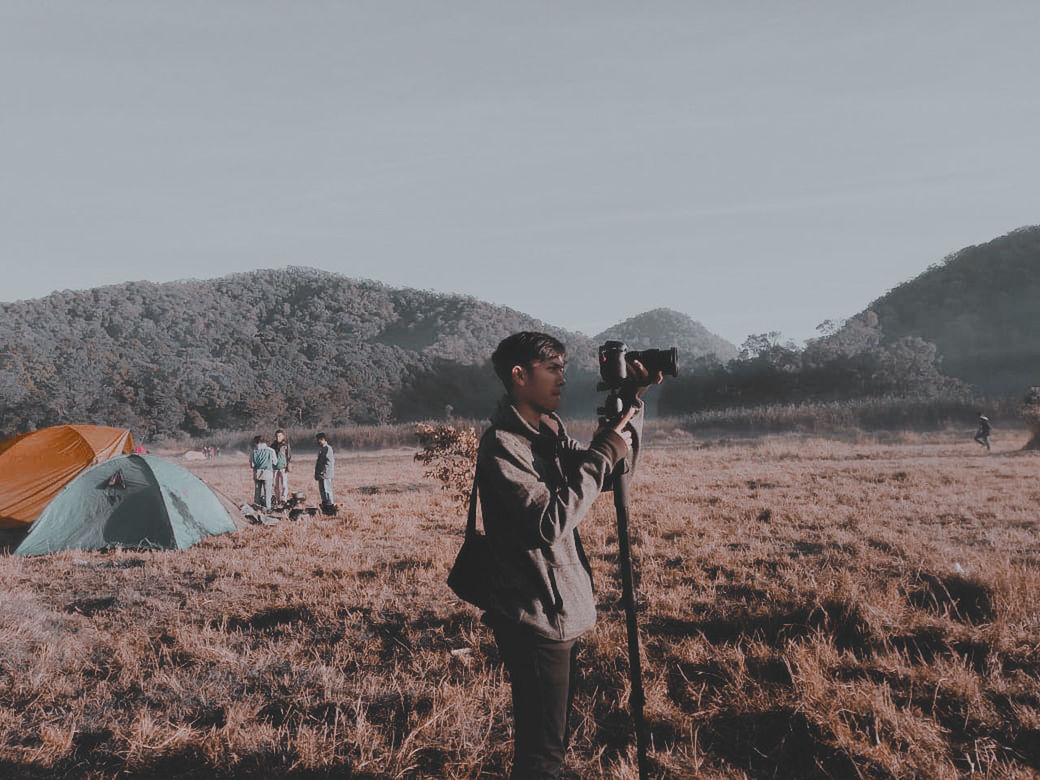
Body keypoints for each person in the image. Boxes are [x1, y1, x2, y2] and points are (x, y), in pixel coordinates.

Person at [475, 331, 660, 779]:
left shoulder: (547, 434)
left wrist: (630, 403)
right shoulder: (504, 444)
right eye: (553, 368)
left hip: (555, 607)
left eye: (564, 367)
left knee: (553, 744)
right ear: (520, 376)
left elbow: (613, 472)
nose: (562, 378)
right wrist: (602, 452)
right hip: (534, 613)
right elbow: (547, 522)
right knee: (541, 758)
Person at [250, 435, 276, 511]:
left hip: (257, 474)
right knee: (267, 492)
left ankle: (257, 507)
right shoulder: (271, 450)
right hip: (268, 474)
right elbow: (275, 462)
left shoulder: (253, 451)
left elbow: (252, 465)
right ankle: (268, 508)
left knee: (257, 491)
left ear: (256, 442)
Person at [272, 429, 293, 506]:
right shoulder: (273, 445)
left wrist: (288, 466)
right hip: (274, 467)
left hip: (283, 467)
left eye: (279, 436)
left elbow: (289, 456)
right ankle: (277, 499)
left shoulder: (286, 445)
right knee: (275, 484)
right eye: (277, 436)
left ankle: (284, 499)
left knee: (284, 484)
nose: (278, 437)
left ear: (283, 436)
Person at [314, 432, 335, 508]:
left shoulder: (328, 449)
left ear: (322, 439)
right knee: (322, 491)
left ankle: (330, 505)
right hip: (321, 474)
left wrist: (323, 471)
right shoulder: (322, 449)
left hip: (326, 474)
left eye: (318, 440)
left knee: (327, 490)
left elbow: (329, 461)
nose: (317, 441)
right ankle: (325, 505)